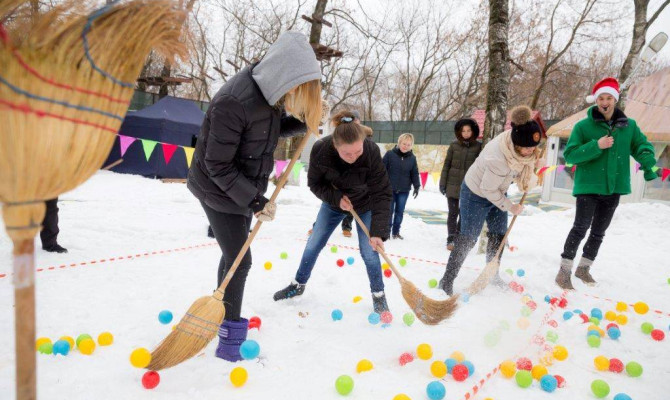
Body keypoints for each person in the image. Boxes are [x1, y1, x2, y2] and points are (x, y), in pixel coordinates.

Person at [187, 31, 323, 362]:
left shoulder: (268, 93)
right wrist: (255, 200)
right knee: (240, 260)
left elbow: (266, 129)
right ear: (284, 73)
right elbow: (216, 165)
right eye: (297, 86)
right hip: (216, 188)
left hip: (242, 187)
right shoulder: (235, 101)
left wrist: (304, 123)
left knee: (232, 256)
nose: (295, 93)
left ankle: (220, 307)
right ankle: (229, 337)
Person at [274, 111, 393, 313]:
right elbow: (315, 183)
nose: (354, 157)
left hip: (365, 204)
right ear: (335, 146)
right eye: (348, 153)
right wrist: (336, 199)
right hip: (334, 202)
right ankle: (298, 284)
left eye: (358, 152)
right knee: (314, 242)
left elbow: (382, 192)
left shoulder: (371, 151)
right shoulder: (321, 150)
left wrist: (378, 232)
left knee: (370, 251)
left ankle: (379, 295)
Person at [555, 77, 658, 290]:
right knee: (580, 227)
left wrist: (647, 160)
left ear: (615, 100)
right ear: (596, 101)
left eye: (608, 97)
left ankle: (584, 268)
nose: (604, 101)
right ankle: (564, 271)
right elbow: (571, 156)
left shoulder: (629, 126)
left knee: (599, 231)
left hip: (614, 187)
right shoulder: (583, 126)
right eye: (601, 98)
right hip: (589, 187)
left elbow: (641, 146)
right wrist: (596, 145)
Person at [438, 106, 544, 295]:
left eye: (533, 147)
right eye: (527, 148)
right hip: (476, 193)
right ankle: (446, 280)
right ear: (517, 143)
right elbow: (488, 189)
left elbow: (523, 172)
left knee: (499, 233)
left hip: (498, 191)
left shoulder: (523, 147)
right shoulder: (498, 157)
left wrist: (533, 168)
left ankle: (491, 273)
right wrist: (510, 206)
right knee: (468, 238)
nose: (531, 151)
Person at [307, 110, 372, 238]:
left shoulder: (367, 146)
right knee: (327, 213)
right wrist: (336, 197)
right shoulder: (326, 147)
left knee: (350, 212)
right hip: (335, 192)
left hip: (359, 194)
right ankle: (317, 227)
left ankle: (347, 227)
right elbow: (316, 182)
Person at [439, 119, 482, 250]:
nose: (466, 133)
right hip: (452, 185)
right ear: (459, 132)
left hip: (469, 187)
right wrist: (443, 182)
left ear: (473, 131)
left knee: (464, 214)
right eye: (463, 131)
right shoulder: (453, 146)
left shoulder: (479, 147)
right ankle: (450, 238)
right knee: (453, 213)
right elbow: (447, 164)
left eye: (468, 130)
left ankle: (458, 237)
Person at [382, 133, 420, 239]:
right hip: (389, 189)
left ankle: (395, 232)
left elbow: (414, 173)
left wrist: (417, 186)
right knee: (389, 211)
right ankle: (386, 232)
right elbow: (382, 170)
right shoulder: (390, 154)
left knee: (399, 212)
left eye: (408, 144)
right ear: (399, 143)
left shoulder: (412, 158)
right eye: (404, 144)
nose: (406, 146)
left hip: (404, 190)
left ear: (411, 145)